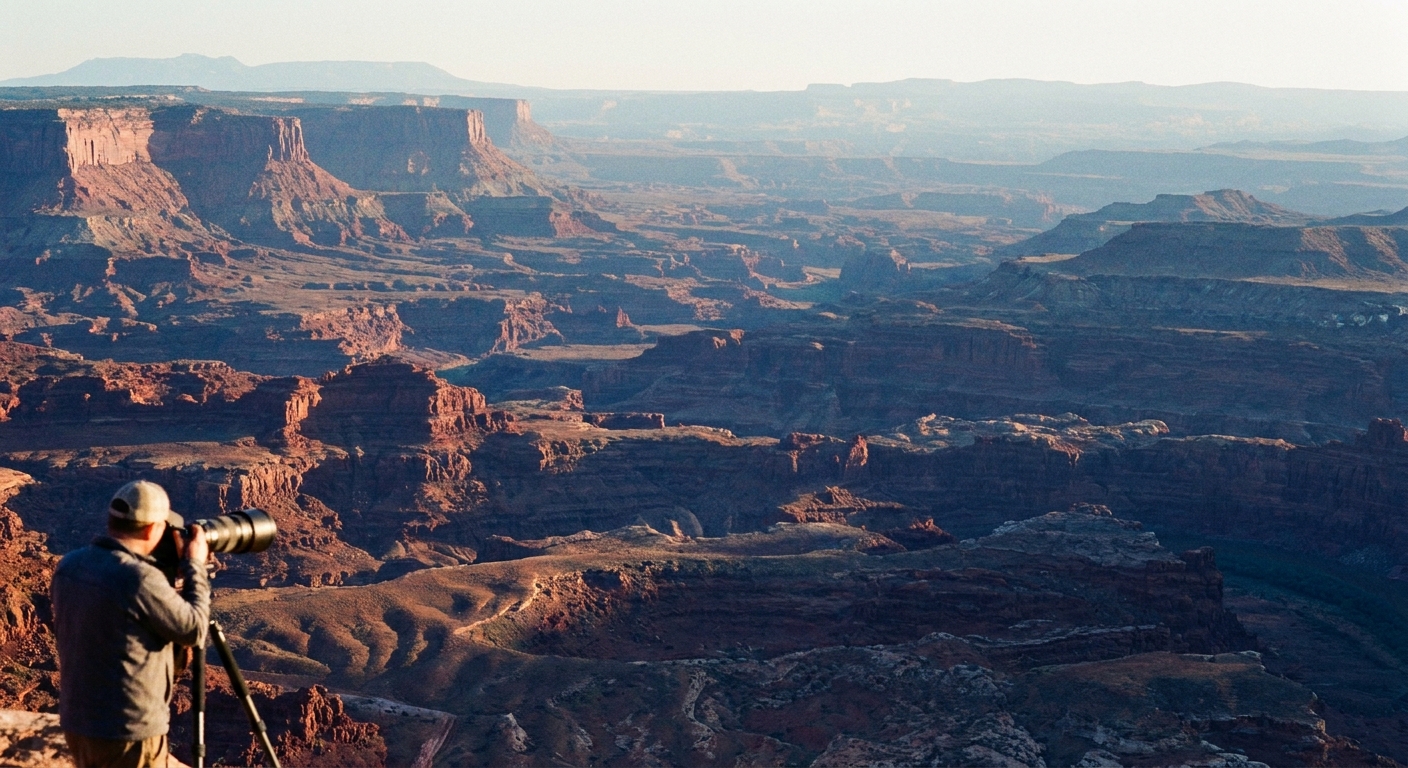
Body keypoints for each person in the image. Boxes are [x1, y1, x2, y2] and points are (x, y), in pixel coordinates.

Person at [51, 480, 211, 768]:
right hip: (128, 732)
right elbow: (195, 629)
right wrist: (195, 566)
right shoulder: (139, 579)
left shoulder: (69, 566)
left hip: (80, 723)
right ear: (153, 529)